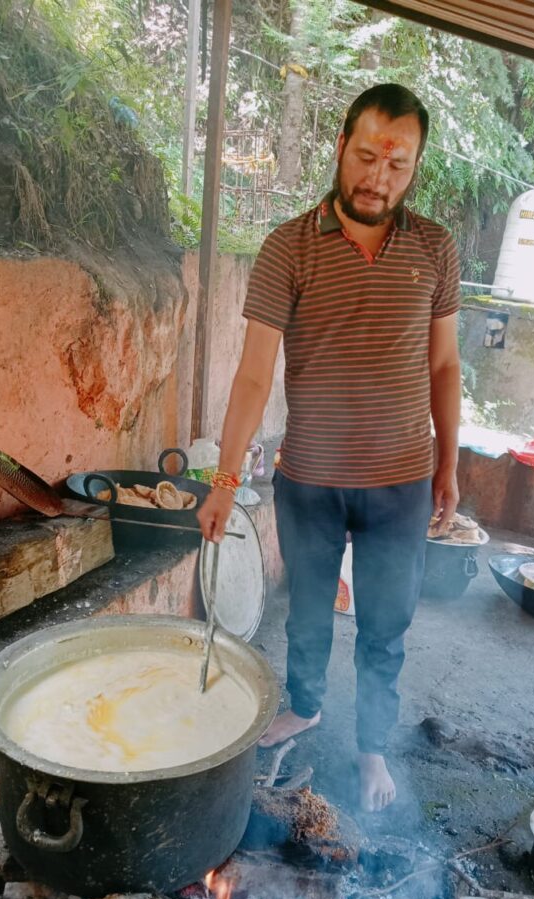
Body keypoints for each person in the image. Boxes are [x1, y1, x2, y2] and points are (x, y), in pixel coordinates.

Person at [197, 83, 461, 812]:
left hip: (401, 478)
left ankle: (373, 746)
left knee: (385, 622)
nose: (379, 176)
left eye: (398, 164)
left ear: (415, 168)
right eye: (368, 154)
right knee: (308, 613)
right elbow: (254, 374)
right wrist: (224, 480)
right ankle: (305, 706)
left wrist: (451, 461)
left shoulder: (435, 248)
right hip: (309, 476)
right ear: (341, 146)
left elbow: (443, 365)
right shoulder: (288, 247)